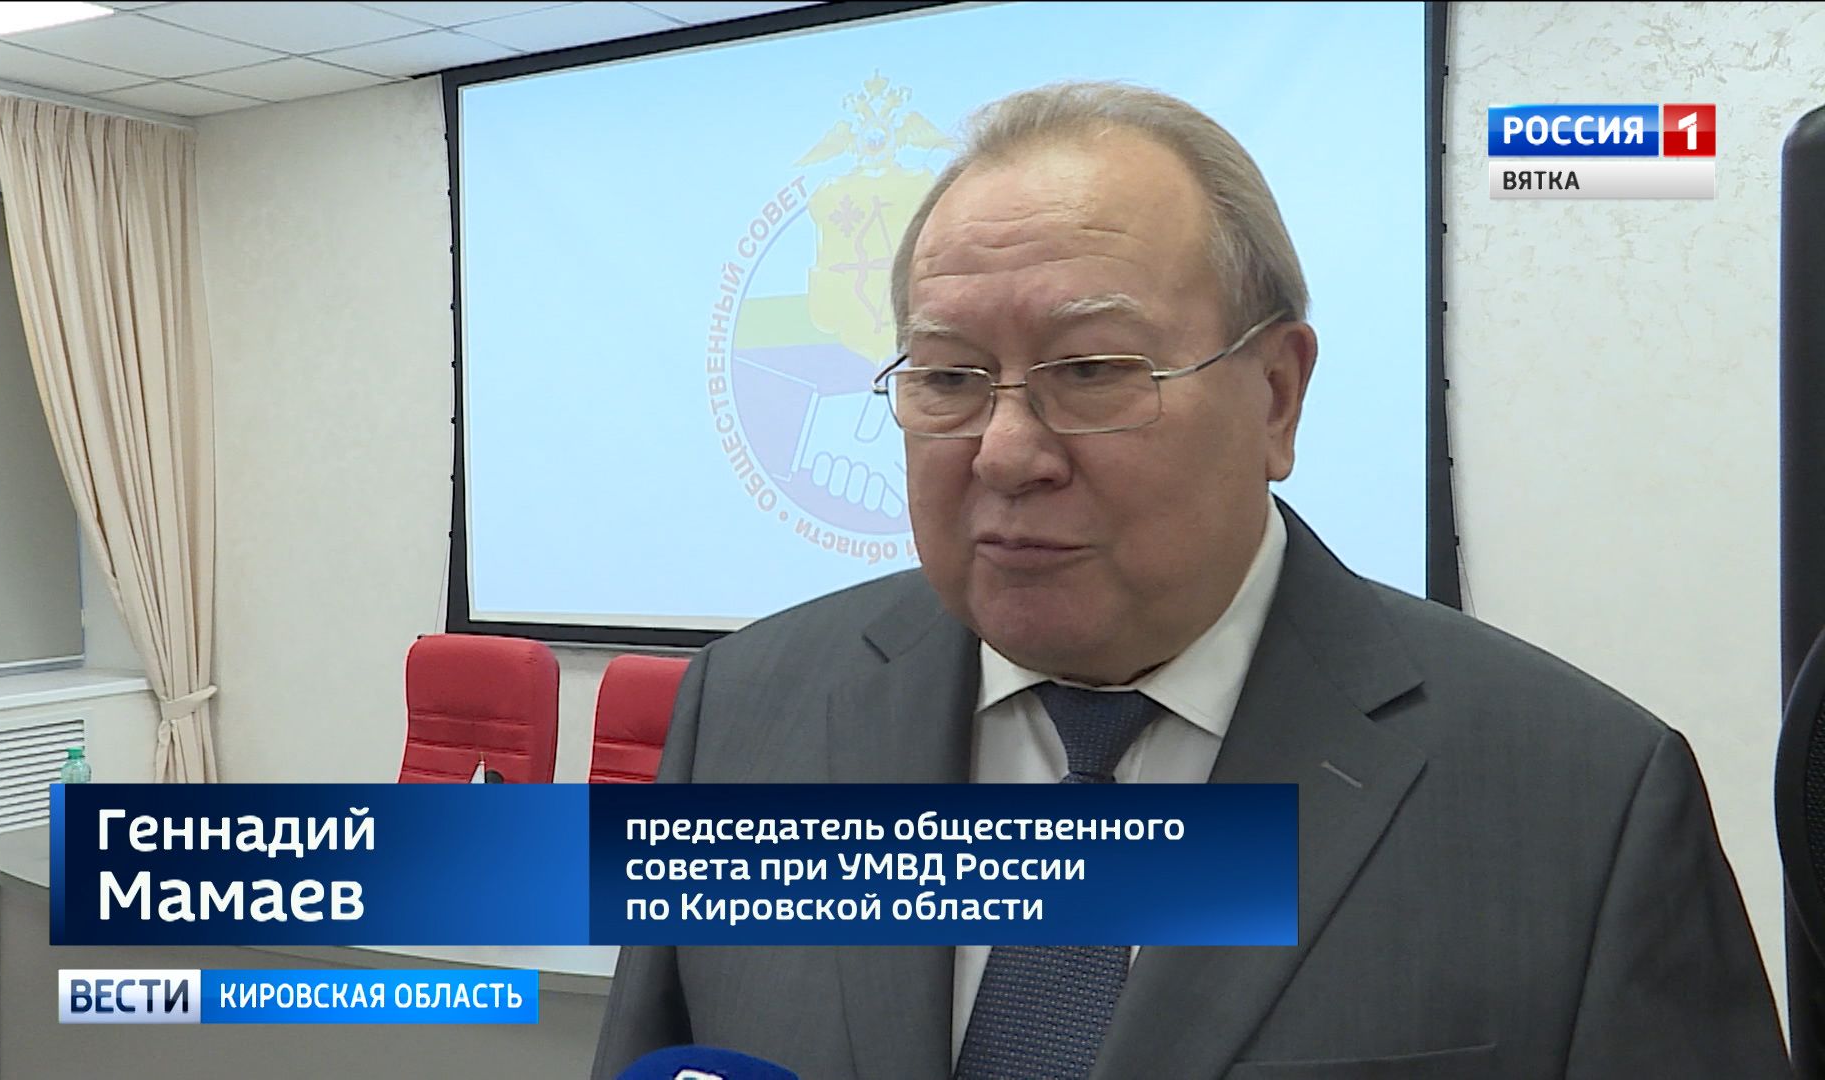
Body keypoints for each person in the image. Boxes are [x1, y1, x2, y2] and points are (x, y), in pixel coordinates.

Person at [592, 82, 1789, 1079]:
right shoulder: (747, 719)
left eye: (1092, 370)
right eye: (948, 379)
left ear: (1276, 396)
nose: (1005, 452)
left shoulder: (1582, 805)